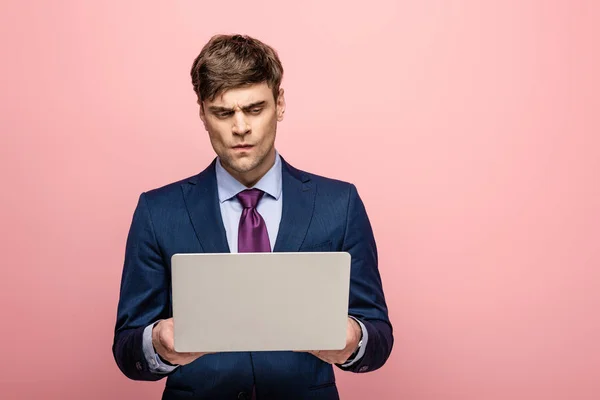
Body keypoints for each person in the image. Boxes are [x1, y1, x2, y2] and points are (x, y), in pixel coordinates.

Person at [112, 34, 393, 400]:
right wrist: (158, 344)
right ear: (202, 113)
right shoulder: (157, 210)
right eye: (223, 112)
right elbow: (127, 348)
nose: (240, 127)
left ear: (279, 104)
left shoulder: (339, 204)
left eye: (255, 109)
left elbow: (379, 336)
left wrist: (354, 340)